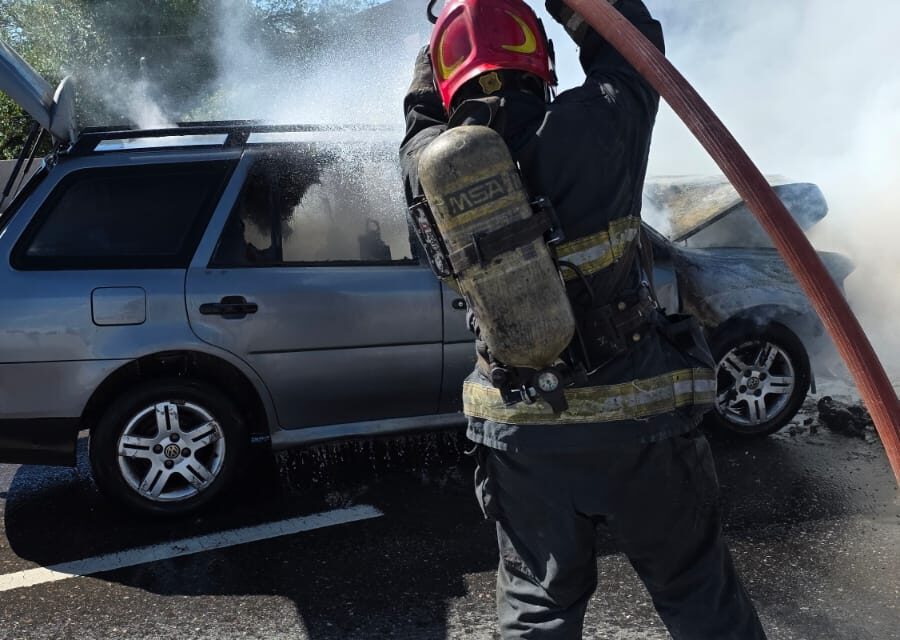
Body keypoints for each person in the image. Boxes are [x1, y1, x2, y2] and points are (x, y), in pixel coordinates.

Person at [400, 0, 769, 638]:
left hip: (520, 431)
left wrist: (435, 55)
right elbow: (631, 48)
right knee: (696, 596)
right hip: (639, 423)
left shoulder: (423, 167)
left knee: (536, 612)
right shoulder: (596, 123)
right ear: (538, 58)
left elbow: (420, 116)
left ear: (446, 73)